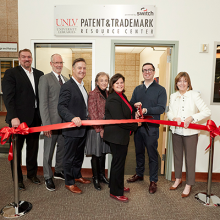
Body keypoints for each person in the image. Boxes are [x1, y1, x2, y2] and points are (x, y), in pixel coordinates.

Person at [2, 48, 44, 190]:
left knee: (33, 149)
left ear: (32, 59)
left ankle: (32, 175)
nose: (27, 59)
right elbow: (8, 97)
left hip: (36, 119)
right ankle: (18, 179)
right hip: (18, 121)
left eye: (29, 57)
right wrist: (13, 116)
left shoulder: (39, 74)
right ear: (19, 59)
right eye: (24, 57)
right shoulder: (11, 73)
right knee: (16, 152)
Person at [167, 72, 211, 197]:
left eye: (185, 81)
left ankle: (189, 183)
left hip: (190, 132)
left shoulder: (194, 95)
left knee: (190, 158)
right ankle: (178, 178)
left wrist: (192, 117)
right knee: (177, 156)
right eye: (179, 81)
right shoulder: (173, 96)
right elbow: (169, 112)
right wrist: (174, 117)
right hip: (176, 131)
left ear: (188, 83)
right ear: (176, 83)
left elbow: (206, 111)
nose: (182, 83)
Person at [127, 62, 167, 194]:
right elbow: (131, 103)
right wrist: (134, 107)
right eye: (145, 70)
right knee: (138, 152)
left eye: (150, 70)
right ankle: (139, 174)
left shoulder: (160, 90)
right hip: (138, 127)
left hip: (152, 127)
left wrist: (146, 110)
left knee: (152, 154)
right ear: (142, 73)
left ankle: (153, 180)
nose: (147, 72)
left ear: (154, 72)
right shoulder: (138, 89)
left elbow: (161, 108)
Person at [103, 73, 139, 202]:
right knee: (118, 163)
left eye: (122, 82)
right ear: (112, 85)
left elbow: (127, 111)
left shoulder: (121, 95)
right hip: (116, 136)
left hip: (121, 135)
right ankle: (115, 192)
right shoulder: (113, 98)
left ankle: (116, 185)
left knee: (118, 162)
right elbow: (120, 120)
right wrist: (136, 125)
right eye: (117, 83)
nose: (120, 85)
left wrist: (135, 112)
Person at [58, 58, 91, 194]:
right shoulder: (67, 86)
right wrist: (72, 117)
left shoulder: (82, 86)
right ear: (73, 69)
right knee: (69, 157)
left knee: (78, 156)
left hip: (82, 129)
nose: (82, 70)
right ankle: (69, 182)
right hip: (72, 129)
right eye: (79, 68)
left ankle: (77, 176)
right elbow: (61, 107)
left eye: (84, 68)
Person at [38, 54, 68, 191]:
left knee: (62, 148)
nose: (59, 65)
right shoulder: (45, 79)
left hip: (64, 124)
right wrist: (46, 125)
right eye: (56, 62)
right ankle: (47, 176)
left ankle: (58, 171)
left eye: (60, 62)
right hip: (51, 123)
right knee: (48, 151)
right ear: (51, 64)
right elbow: (43, 103)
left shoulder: (66, 80)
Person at [85, 72, 111, 190]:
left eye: (106, 80)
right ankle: (95, 178)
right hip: (95, 130)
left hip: (106, 129)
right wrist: (100, 129)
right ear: (97, 82)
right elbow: (92, 113)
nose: (104, 82)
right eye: (101, 80)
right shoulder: (92, 94)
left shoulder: (108, 93)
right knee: (96, 154)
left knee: (103, 153)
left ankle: (101, 176)